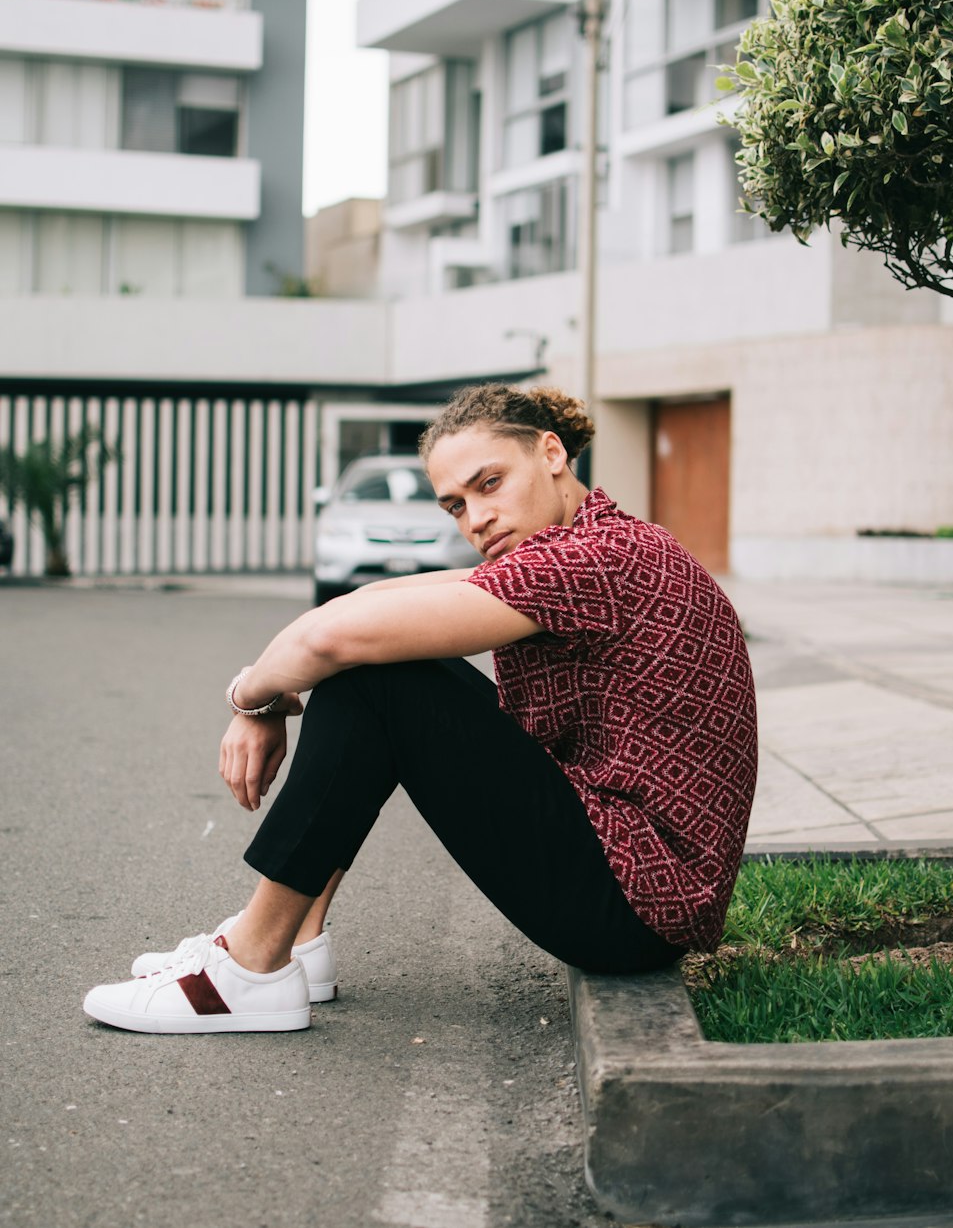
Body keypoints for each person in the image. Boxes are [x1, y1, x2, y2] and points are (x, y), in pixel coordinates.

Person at [83, 384, 758, 1035]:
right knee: (376, 663)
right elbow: (370, 605)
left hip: (635, 904)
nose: (477, 519)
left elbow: (330, 635)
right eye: (455, 506)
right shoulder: (590, 545)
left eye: (489, 484)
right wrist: (271, 686)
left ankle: (254, 964)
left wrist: (249, 699)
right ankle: (296, 939)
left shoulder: (593, 561)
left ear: (551, 454)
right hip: (636, 882)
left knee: (378, 680)